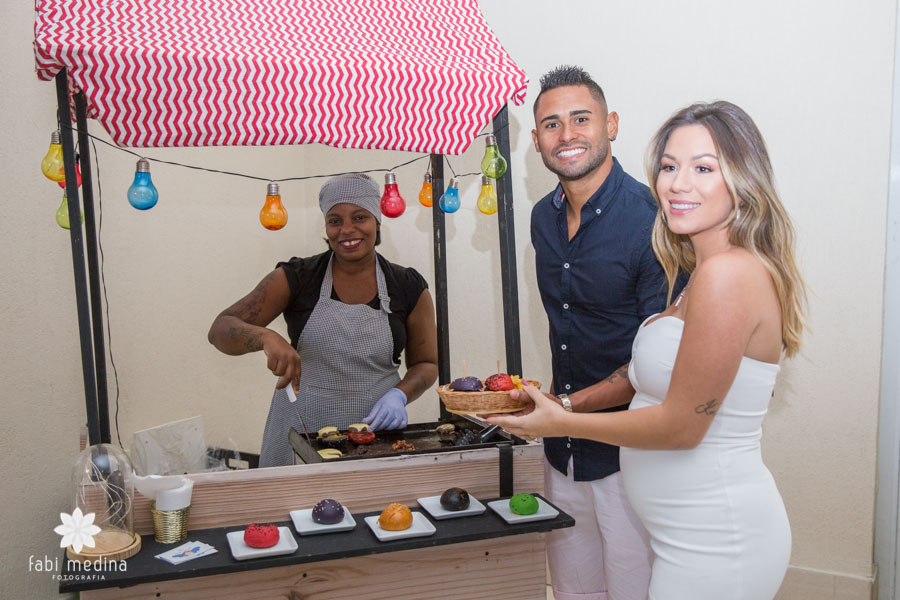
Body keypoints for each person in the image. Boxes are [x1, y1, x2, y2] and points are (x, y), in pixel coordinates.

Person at [489, 100, 807, 599]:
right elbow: (650, 378)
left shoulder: (728, 274)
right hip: (685, 534)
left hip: (717, 540)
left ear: (743, 179)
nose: (679, 183)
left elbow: (682, 426)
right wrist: (562, 402)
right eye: (668, 166)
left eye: (704, 168)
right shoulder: (702, 270)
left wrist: (561, 422)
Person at [526, 65, 676, 600]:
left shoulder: (654, 221)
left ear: (610, 124)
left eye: (580, 119)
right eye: (550, 124)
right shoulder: (542, 218)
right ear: (538, 139)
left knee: (634, 591)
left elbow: (658, 364)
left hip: (627, 458)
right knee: (572, 590)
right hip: (562, 453)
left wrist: (564, 407)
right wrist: (550, 410)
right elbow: (570, 330)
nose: (566, 135)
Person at [208, 173, 439, 467]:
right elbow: (220, 329)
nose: (347, 230)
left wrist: (399, 396)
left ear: (377, 222)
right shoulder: (298, 278)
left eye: (359, 217)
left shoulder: (407, 286)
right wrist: (266, 338)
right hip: (301, 434)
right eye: (334, 220)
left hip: (373, 437)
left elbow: (427, 364)